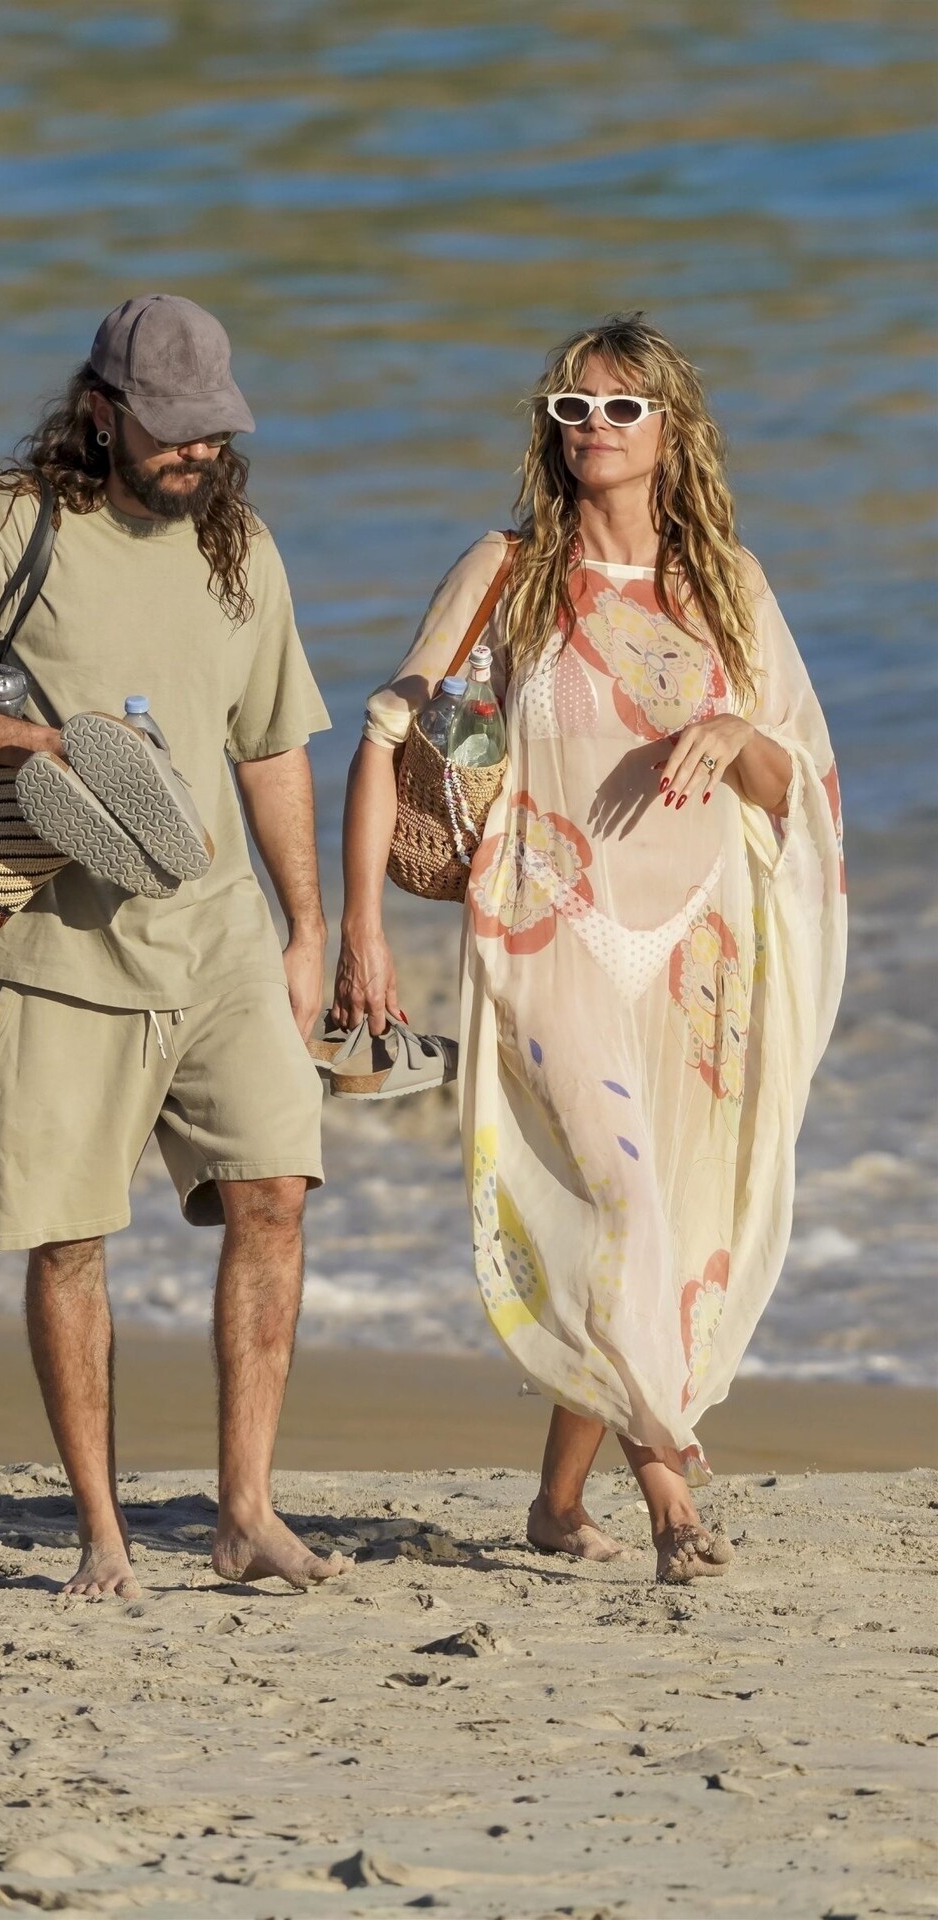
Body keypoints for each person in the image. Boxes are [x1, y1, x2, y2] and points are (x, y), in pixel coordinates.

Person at [335, 314, 846, 1583]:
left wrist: (739, 737)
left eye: (621, 408)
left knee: (661, 1218)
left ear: (674, 428)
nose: (594, 429)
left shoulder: (729, 583)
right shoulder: (509, 570)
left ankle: (558, 1506)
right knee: (623, 1201)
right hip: (545, 925)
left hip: (700, 944)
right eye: (573, 409)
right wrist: (359, 935)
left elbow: (798, 784)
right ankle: (672, 1498)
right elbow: (385, 738)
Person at [0, 294, 345, 1597]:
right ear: (99, 413)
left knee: (275, 1197)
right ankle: (103, 1538)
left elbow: (273, 745)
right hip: (54, 955)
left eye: (213, 429)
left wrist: (310, 928)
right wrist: (31, 745)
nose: (197, 452)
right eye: (172, 430)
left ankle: (245, 1513)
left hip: (219, 940)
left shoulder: (240, 546)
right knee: (70, 1240)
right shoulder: (9, 523)